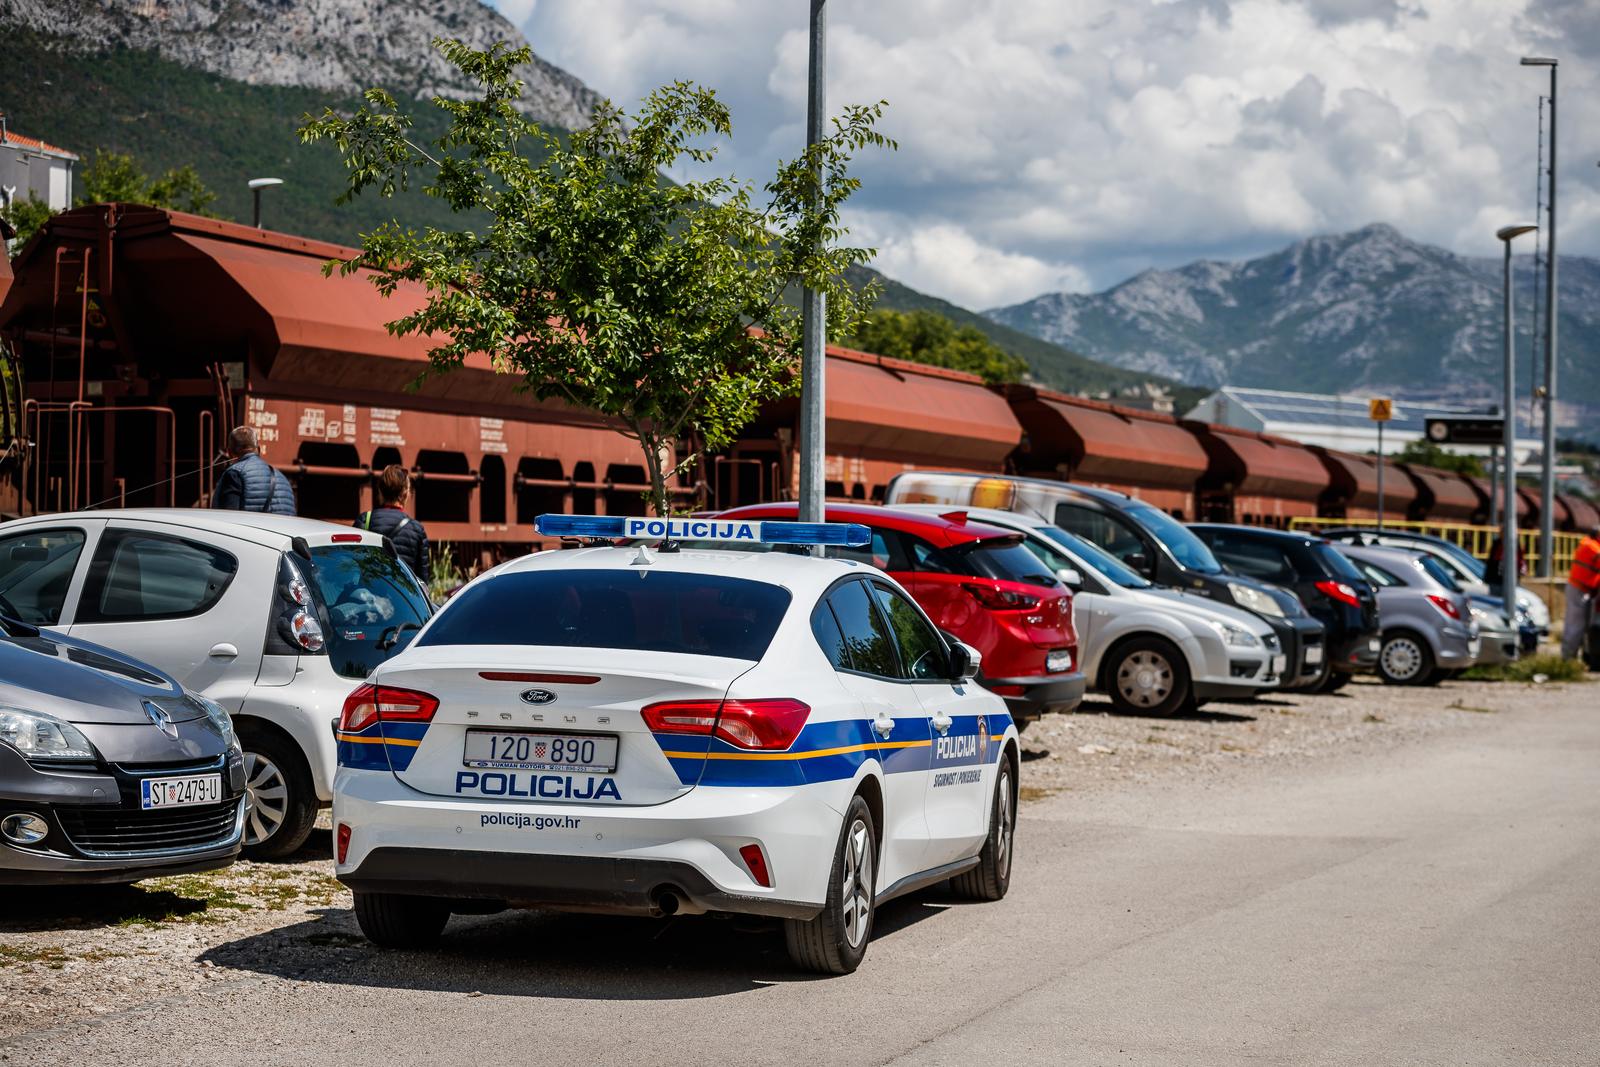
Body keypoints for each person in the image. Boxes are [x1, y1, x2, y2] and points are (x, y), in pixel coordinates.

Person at [358, 464, 431, 581]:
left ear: (380, 491)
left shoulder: (365, 520)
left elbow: (353, 564)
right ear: (406, 493)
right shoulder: (417, 529)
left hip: (369, 593)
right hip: (401, 597)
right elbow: (422, 581)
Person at [211, 426, 295, 515]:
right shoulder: (283, 479)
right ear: (259, 449)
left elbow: (227, 517)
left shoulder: (234, 474)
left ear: (229, 452)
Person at [1560, 523, 1600, 662]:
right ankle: (1567, 658)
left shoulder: (1590, 544)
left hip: (1583, 590)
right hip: (1579, 589)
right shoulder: (1592, 547)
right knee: (1575, 625)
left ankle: (1582, 656)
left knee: (1583, 625)